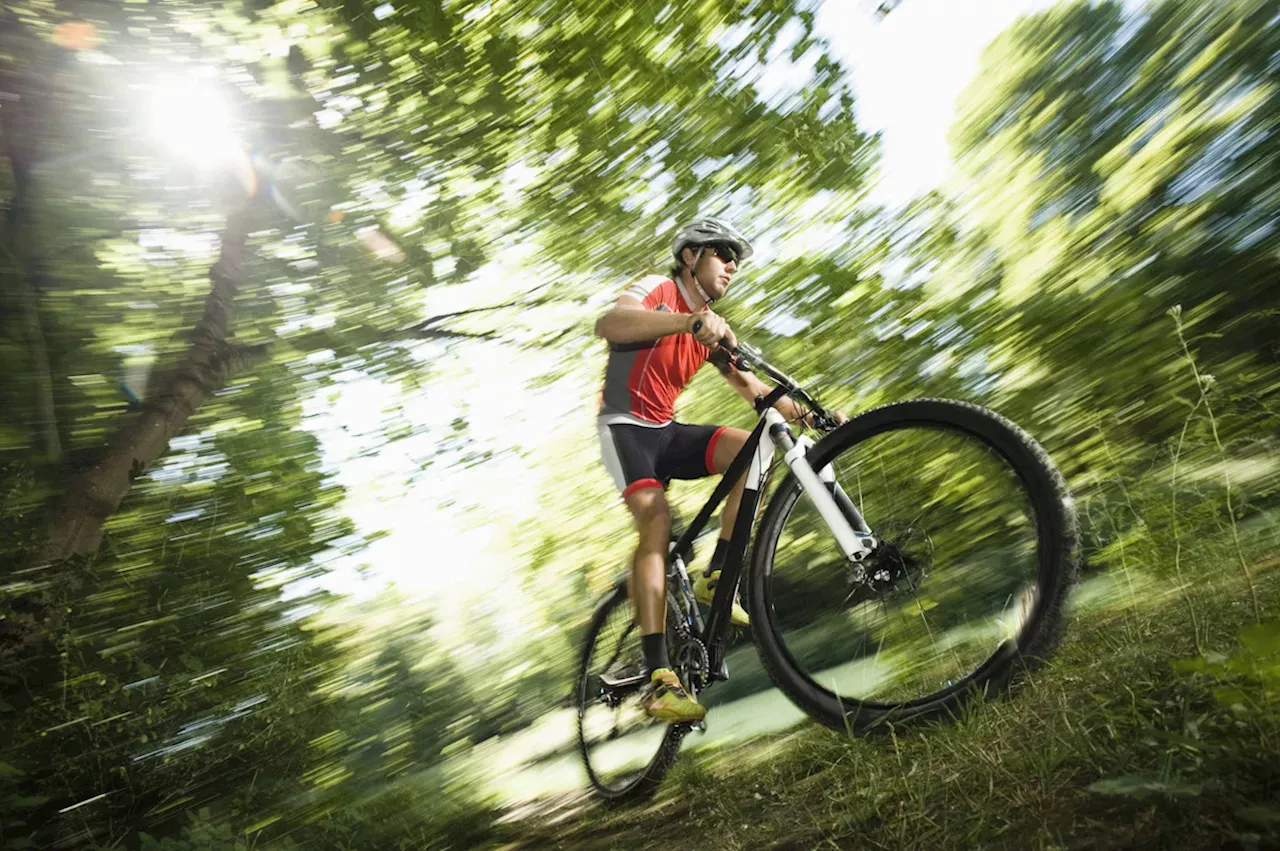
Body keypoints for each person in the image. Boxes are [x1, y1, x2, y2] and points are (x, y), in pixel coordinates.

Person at [594, 217, 840, 723]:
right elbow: (610, 325)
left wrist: (816, 414)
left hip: (665, 428)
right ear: (690, 256)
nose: (732, 265)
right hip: (624, 428)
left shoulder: (711, 327)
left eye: (736, 260)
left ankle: (718, 572)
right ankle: (659, 678)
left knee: (756, 446)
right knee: (656, 524)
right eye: (722, 253)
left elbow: (757, 392)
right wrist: (687, 322)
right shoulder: (660, 291)